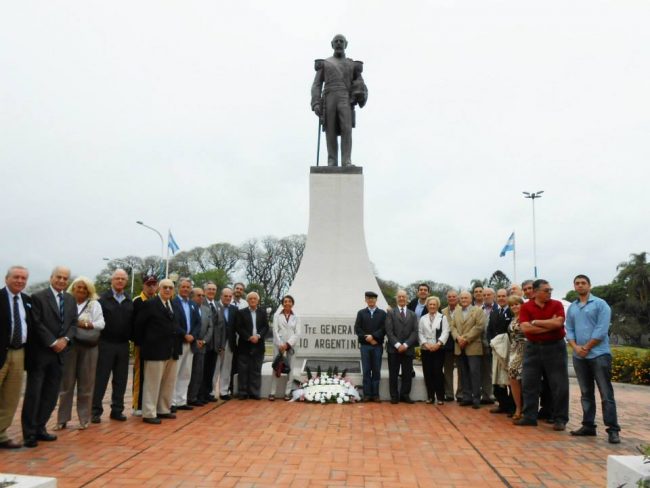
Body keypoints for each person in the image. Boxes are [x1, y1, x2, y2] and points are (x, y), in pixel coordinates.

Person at [22, 266, 77, 448]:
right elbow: (36, 323)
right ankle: (29, 433)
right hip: (41, 354)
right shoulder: (38, 297)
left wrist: (66, 339)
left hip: (61, 355)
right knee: (34, 394)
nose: (62, 280)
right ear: (51, 277)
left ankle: (40, 427)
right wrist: (53, 342)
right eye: (58, 277)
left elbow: (73, 323)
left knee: (51, 394)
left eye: (65, 278)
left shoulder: (70, 299)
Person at [566, 274, 620, 444]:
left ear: (589, 285)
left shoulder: (600, 304)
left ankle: (613, 429)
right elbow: (569, 329)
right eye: (577, 283)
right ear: (574, 286)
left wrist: (587, 347)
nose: (580, 286)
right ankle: (588, 425)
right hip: (579, 356)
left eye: (583, 283)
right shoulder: (573, 308)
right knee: (585, 393)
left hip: (599, 354)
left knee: (606, 393)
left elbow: (601, 330)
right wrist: (575, 348)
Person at [515, 279, 569, 431]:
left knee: (559, 385)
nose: (549, 292)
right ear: (536, 291)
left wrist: (536, 322)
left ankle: (560, 419)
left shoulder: (557, 305)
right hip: (533, 349)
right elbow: (525, 329)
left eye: (550, 289)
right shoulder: (526, 307)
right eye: (546, 290)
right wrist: (548, 325)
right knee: (529, 383)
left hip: (555, 348)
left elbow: (558, 324)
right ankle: (529, 417)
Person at [311, 34, 367, 166]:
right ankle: (332, 160)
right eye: (336, 41)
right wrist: (316, 102)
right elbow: (317, 84)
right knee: (330, 129)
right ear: (332, 44)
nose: (339, 43)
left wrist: (358, 93)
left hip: (345, 97)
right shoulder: (324, 63)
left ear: (346, 44)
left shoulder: (352, 64)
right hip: (329, 96)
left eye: (341, 41)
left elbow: (359, 82)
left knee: (346, 129)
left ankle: (346, 160)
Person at [57, 277, 105, 430]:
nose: (82, 290)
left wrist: (83, 324)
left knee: (86, 384)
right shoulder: (66, 301)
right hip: (70, 346)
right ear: (73, 288)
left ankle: (84, 419)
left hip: (89, 347)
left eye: (85, 288)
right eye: (79, 287)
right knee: (66, 385)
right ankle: (61, 420)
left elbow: (101, 323)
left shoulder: (94, 304)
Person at [135, 278, 184, 424]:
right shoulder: (149, 304)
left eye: (170, 287)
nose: (168, 290)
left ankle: (163, 409)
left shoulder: (173, 305)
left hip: (172, 350)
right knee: (152, 384)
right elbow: (139, 326)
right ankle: (149, 413)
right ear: (159, 289)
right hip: (154, 351)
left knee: (168, 382)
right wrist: (143, 345)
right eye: (165, 287)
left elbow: (176, 325)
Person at [92, 269, 133, 424]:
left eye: (123, 278)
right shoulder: (101, 299)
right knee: (101, 379)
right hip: (105, 344)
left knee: (121, 380)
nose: (120, 281)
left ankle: (117, 410)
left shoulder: (128, 300)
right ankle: (95, 411)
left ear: (126, 281)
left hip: (123, 345)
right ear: (112, 280)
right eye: (117, 278)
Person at [0, 266, 32, 449]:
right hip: (1, 351)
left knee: (11, 397)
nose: (20, 281)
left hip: (19, 352)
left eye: (23, 278)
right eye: (16, 277)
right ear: (6, 279)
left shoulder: (27, 301)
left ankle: (1, 434)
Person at [451, 291, 485, 409]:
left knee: (474, 373)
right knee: (463, 373)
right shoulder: (457, 311)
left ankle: (476, 399)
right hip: (459, 346)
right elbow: (452, 326)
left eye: (466, 298)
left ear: (471, 299)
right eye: (462, 298)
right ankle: (467, 397)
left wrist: (466, 339)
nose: (464, 300)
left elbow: (479, 327)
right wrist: (458, 338)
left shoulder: (478, 311)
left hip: (473, 346)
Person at [171, 278, 201, 411]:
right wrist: (184, 334)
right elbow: (173, 322)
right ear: (178, 288)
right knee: (174, 373)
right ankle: (171, 402)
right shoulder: (173, 303)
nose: (185, 289)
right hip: (178, 342)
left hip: (190, 343)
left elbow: (197, 323)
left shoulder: (193, 304)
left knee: (186, 373)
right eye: (183, 287)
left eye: (188, 287)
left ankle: (181, 401)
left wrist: (192, 335)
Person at [131, 274, 158, 416]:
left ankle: (151, 403)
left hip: (156, 346)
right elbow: (134, 325)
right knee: (140, 374)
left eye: (154, 284)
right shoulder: (137, 301)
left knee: (152, 376)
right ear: (144, 285)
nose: (151, 287)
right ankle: (137, 404)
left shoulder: (158, 300)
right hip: (141, 345)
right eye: (149, 284)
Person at [385, 290, 418, 404]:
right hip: (394, 349)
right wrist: (398, 345)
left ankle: (405, 395)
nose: (402, 299)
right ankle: (394, 396)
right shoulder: (390, 313)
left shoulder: (412, 314)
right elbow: (389, 331)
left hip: (408, 349)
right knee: (393, 373)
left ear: (407, 299)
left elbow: (415, 332)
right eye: (399, 297)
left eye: (403, 297)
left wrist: (406, 344)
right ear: (396, 299)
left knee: (407, 373)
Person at [235, 292, 269, 400]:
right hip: (245, 344)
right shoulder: (241, 313)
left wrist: (258, 336)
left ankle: (254, 392)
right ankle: (243, 392)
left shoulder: (262, 313)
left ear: (258, 300)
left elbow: (266, 327)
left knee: (256, 369)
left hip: (258, 345)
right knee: (243, 370)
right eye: (250, 299)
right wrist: (249, 337)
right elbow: (239, 327)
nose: (253, 300)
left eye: (255, 298)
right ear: (247, 300)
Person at [354, 291, 386, 402]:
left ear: (376, 300)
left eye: (373, 298)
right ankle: (367, 394)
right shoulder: (361, 313)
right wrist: (367, 338)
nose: (371, 300)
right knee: (366, 370)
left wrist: (373, 337)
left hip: (377, 346)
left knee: (376, 370)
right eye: (369, 298)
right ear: (366, 300)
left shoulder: (382, 313)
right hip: (365, 346)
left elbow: (384, 329)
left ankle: (375, 395)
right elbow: (357, 328)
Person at [487, 289, 515, 415]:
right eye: (499, 296)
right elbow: (489, 330)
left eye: (504, 296)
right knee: (498, 379)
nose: (501, 298)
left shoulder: (513, 311)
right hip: (496, 349)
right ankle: (502, 404)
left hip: (510, 350)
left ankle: (512, 407)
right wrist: (492, 343)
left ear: (508, 297)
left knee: (510, 379)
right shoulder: (494, 312)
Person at [418, 296, 449, 405]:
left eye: (434, 304)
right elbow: (420, 332)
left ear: (437, 306)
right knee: (428, 372)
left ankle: (440, 397)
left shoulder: (442, 317)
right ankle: (430, 396)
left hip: (438, 349)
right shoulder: (423, 318)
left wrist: (438, 344)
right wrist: (425, 344)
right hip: (426, 349)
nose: (432, 306)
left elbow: (446, 332)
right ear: (427, 306)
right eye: (430, 304)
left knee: (437, 372)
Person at [269, 295, 300, 401]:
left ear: (292, 303)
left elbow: (297, 333)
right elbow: (275, 330)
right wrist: (281, 344)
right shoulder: (277, 315)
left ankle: (287, 393)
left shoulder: (296, 317)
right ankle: (272, 392)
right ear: (282, 303)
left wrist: (287, 344)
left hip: (291, 346)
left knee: (290, 369)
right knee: (276, 367)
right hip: (279, 345)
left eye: (289, 301)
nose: (287, 303)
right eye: (285, 301)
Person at [187, 287, 214, 407]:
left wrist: (204, 341)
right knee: (187, 373)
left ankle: (195, 396)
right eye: (199, 295)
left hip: (202, 346)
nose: (202, 297)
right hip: (190, 344)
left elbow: (210, 327)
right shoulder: (189, 307)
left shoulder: (207, 310)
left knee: (199, 373)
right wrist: (195, 339)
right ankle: (185, 397)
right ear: (192, 296)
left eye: (203, 295)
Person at [212, 287, 237, 401]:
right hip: (217, 342)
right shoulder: (215, 306)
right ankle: (212, 391)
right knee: (215, 366)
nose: (227, 298)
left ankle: (224, 391)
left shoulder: (234, 309)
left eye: (230, 296)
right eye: (225, 296)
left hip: (229, 342)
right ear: (221, 296)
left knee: (227, 367)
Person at [506, 295, 526, 421]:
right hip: (514, 350)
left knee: (525, 380)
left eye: (516, 304)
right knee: (512, 378)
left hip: (526, 349)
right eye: (512, 305)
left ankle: (526, 409)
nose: (514, 306)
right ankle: (518, 407)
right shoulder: (513, 319)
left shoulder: (526, 317)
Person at [441, 290, 462, 402]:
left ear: (457, 298)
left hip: (460, 343)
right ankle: (448, 393)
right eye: (449, 297)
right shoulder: (443, 311)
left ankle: (460, 394)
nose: (452, 298)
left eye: (454, 296)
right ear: (447, 298)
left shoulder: (463, 309)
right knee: (448, 370)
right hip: (447, 345)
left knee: (461, 370)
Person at [479, 287, 496, 404]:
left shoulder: (497, 308)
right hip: (481, 345)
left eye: (488, 295)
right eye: (484, 295)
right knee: (484, 371)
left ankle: (493, 395)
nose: (486, 297)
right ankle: (486, 395)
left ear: (493, 296)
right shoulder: (479, 309)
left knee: (494, 371)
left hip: (495, 345)